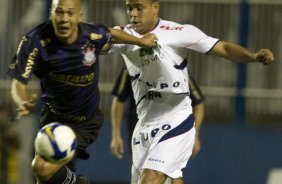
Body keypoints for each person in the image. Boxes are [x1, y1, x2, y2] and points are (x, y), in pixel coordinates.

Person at [109, 0, 274, 183]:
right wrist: (138, 41)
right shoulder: (124, 35)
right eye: (129, 8)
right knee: (172, 178)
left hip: (176, 119)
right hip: (144, 124)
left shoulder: (179, 32)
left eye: (139, 8)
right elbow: (96, 35)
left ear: (155, 7)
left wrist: (252, 56)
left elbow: (224, 48)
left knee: (149, 180)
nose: (133, 14)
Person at [6, 0, 157, 184]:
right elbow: (18, 83)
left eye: (70, 13)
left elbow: (112, 33)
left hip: (84, 121)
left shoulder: (92, 35)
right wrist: (21, 101)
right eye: (59, 12)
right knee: (45, 178)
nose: (64, 19)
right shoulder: (34, 41)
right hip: (52, 119)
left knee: (41, 168)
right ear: (51, 13)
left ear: (79, 16)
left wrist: (141, 41)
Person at [110, 66, 204, 159]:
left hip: (170, 131)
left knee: (166, 170)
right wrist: (116, 134)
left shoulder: (177, 65)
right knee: (141, 170)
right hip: (140, 132)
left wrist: (194, 133)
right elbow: (119, 100)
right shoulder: (131, 63)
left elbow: (198, 104)